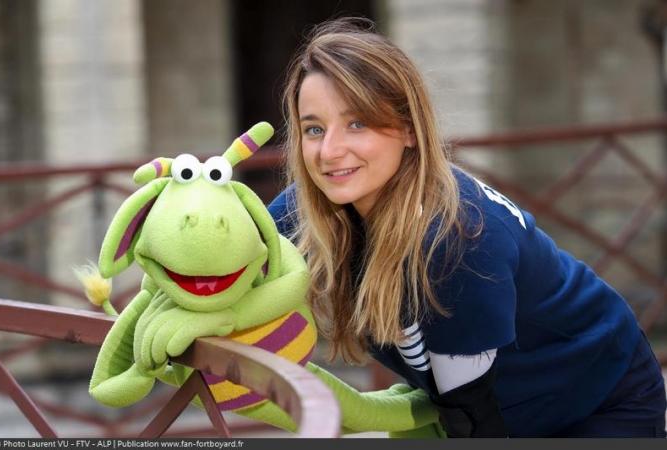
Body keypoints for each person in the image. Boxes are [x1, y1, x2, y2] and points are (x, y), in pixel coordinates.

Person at [267, 18, 667, 438]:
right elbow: (236, 255)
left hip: (598, 400)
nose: (329, 151)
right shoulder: (313, 204)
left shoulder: (457, 238)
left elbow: (474, 420)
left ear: (407, 129)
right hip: (504, 407)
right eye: (314, 128)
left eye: (357, 123)